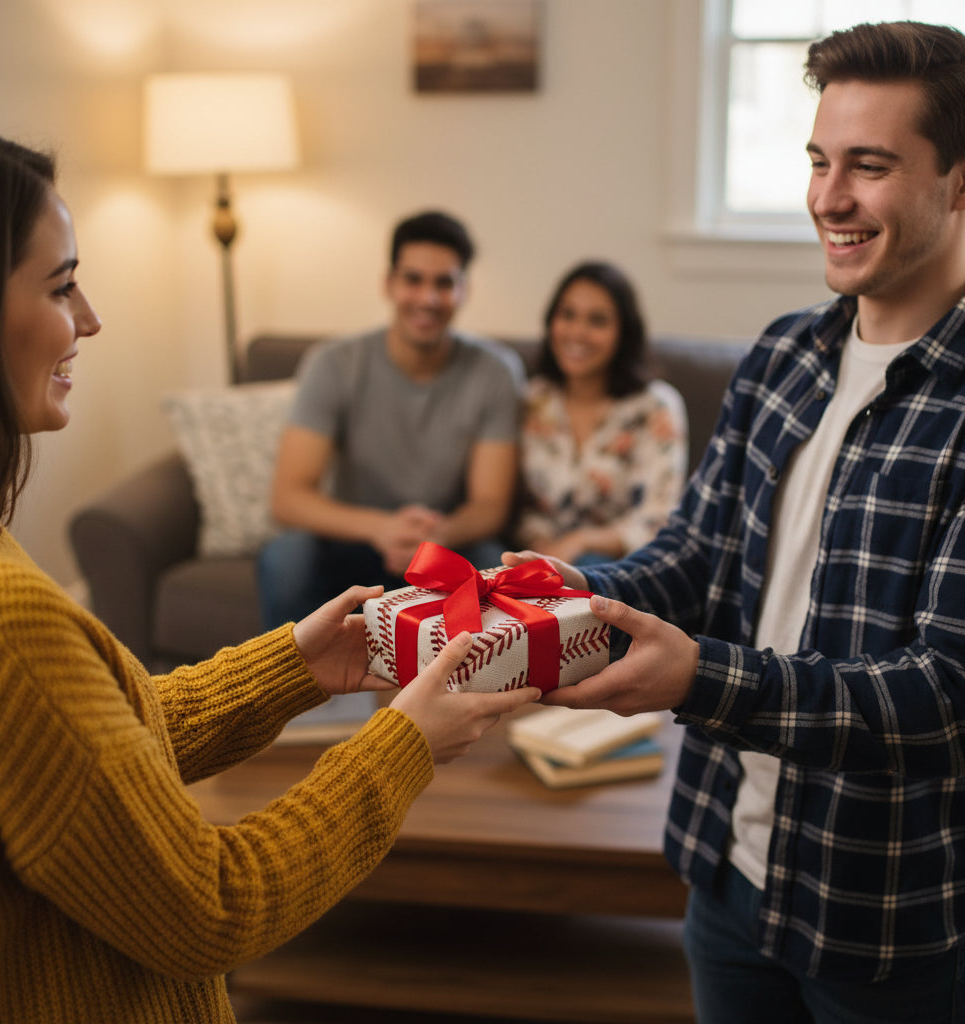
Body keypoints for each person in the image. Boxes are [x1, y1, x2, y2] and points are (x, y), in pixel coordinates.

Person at [0, 125, 540, 1023]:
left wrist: (296, 664)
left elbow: (98, 762)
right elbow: (212, 906)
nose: (92, 319)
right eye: (63, 284)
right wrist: (401, 744)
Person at [507, 21, 965, 1023]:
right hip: (722, 868)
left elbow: (941, 694)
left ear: (957, 182)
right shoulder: (781, 356)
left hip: (876, 918)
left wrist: (700, 678)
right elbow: (699, 555)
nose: (828, 199)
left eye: (869, 166)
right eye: (817, 161)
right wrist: (577, 593)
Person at [256, 209, 525, 628]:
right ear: (389, 283)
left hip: (444, 542)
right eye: (413, 279)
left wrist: (438, 536)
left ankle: (464, 690)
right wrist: (382, 528)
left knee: (493, 563)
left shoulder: (496, 372)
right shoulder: (333, 364)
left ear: (464, 290)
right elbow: (288, 498)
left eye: (444, 283)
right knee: (286, 557)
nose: (428, 298)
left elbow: (490, 505)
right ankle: (292, 689)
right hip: (354, 539)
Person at [514, 260, 687, 566]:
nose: (577, 332)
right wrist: (540, 549)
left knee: (590, 565)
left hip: (618, 566)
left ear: (623, 332)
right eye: (567, 315)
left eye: (597, 321)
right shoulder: (534, 399)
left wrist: (579, 542)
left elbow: (657, 519)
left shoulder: (656, 407)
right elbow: (520, 507)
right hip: (535, 559)